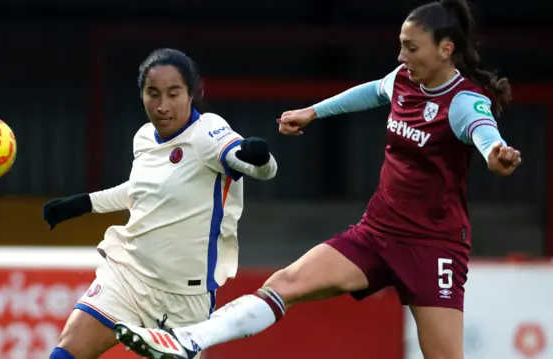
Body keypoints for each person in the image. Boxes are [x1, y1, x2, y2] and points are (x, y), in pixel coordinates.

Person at [113, 1, 522, 359]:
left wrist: (496, 155)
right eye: (401, 44)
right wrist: (312, 112)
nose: (401, 55)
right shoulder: (401, 82)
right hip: (377, 233)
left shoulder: (464, 102)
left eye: (411, 48)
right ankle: (186, 341)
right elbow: (368, 93)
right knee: (285, 283)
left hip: (434, 249)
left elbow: (484, 134)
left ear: (445, 49)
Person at [42, 48, 279, 359]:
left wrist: (259, 158)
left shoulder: (207, 131)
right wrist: (83, 204)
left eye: (173, 93)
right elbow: (143, 190)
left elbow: (255, 165)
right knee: (66, 351)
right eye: (153, 93)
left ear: (193, 93)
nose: (162, 106)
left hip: (184, 299)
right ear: (141, 93)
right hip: (127, 276)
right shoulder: (144, 137)